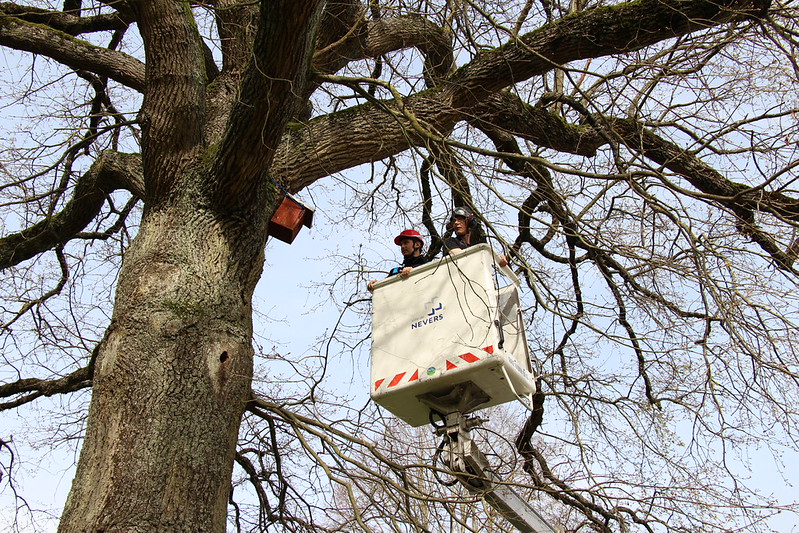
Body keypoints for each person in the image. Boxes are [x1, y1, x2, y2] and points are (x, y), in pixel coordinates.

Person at [443, 206, 508, 267]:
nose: (456, 223)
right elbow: (459, 257)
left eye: (460, 219)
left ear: (470, 222)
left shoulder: (474, 247)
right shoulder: (451, 241)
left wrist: (498, 258)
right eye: (454, 221)